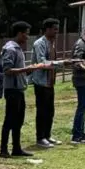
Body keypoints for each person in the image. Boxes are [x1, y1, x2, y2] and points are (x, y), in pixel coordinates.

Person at [0, 22, 38, 158]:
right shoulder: (10, 49)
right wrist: (26, 69)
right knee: (9, 119)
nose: (27, 37)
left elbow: (19, 71)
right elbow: (7, 70)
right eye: (26, 33)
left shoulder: (18, 49)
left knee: (19, 120)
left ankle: (16, 148)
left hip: (20, 89)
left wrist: (29, 70)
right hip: (12, 90)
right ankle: (3, 149)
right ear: (19, 33)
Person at [29, 20, 61, 148]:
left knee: (50, 111)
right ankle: (40, 137)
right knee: (42, 111)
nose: (56, 32)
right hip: (41, 82)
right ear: (47, 29)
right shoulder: (40, 43)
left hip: (50, 82)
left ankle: (47, 135)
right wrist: (59, 63)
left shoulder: (52, 43)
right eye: (54, 29)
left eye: (57, 29)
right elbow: (42, 61)